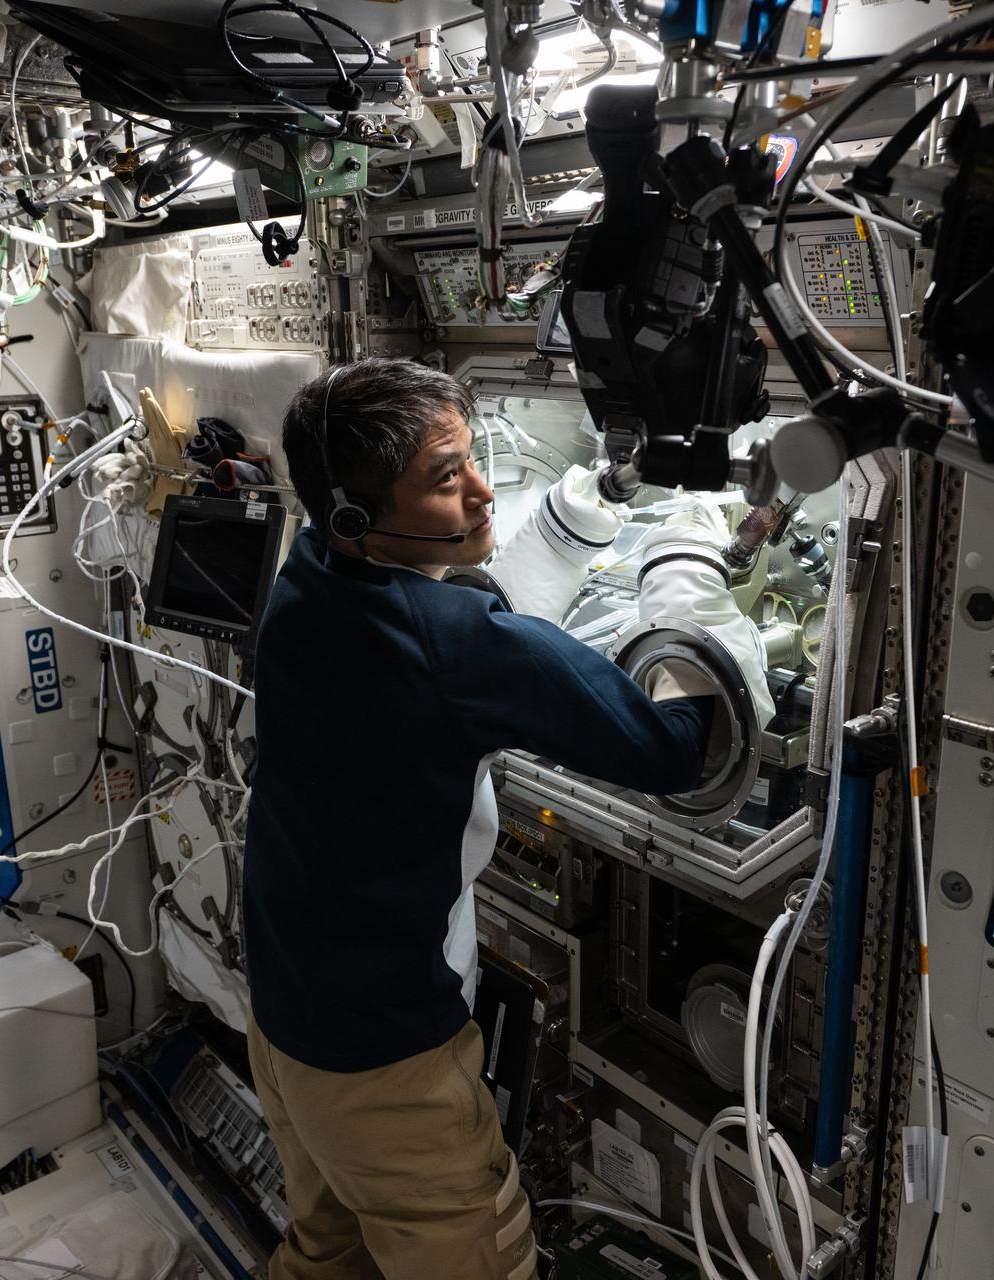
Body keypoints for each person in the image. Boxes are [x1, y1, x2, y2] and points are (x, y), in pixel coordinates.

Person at [242, 358, 735, 1279]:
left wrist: (571, 522)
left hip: (285, 1024)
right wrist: (683, 568)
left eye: (474, 461)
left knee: (327, 1251)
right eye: (444, 479)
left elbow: (465, 610)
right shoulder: (455, 649)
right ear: (354, 512)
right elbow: (678, 745)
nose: (479, 494)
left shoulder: (305, 580)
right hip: (387, 1066)